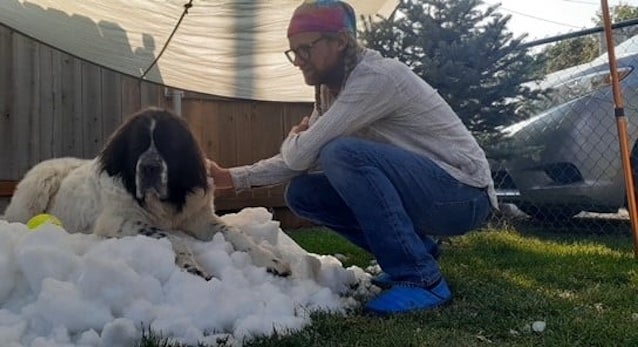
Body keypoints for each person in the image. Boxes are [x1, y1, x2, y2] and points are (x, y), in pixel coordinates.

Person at [207, 0, 497, 315]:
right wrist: (232, 178)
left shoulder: (376, 77)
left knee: (341, 153)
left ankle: (421, 278)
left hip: (464, 196)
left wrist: (294, 138)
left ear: (341, 41)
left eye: (306, 49)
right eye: (294, 52)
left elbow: (300, 153)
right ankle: (418, 251)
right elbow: (300, 162)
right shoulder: (331, 92)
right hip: (430, 192)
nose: (298, 61)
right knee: (303, 193)